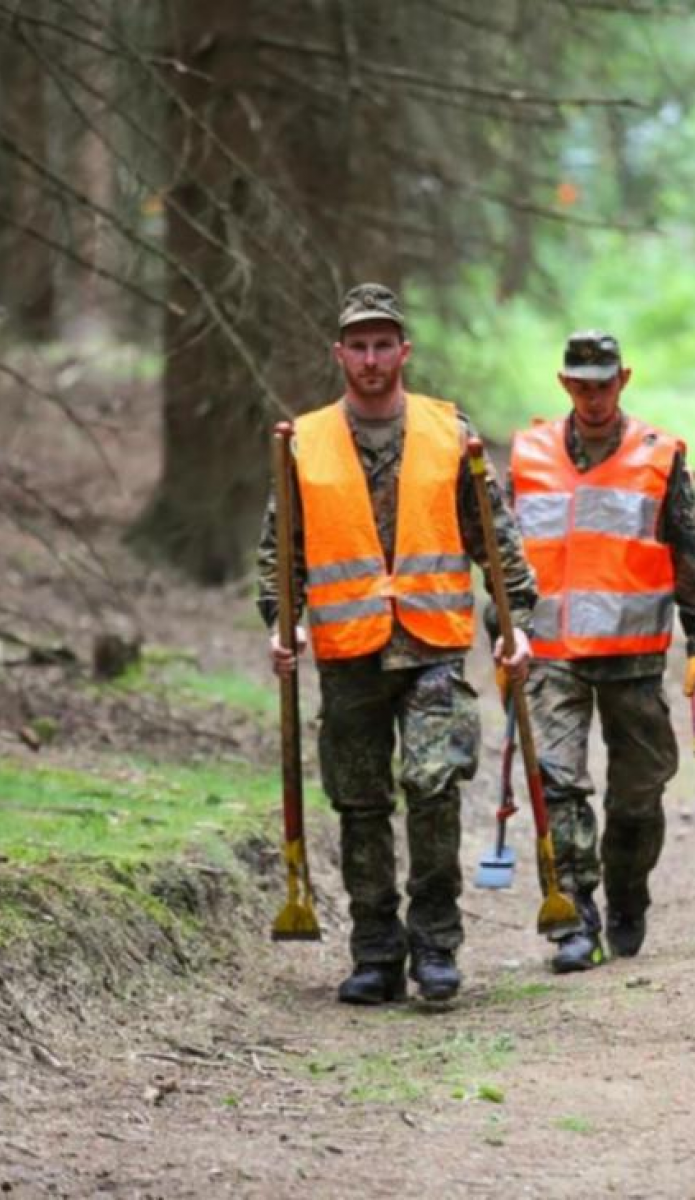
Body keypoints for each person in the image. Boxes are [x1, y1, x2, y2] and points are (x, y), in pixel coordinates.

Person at [258, 283, 537, 1005]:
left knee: (434, 788)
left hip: (431, 644)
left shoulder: (451, 431)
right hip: (349, 650)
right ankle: (376, 952)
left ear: (404, 351)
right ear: (340, 354)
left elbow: (493, 536)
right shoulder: (304, 440)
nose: (373, 358)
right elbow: (280, 548)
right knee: (360, 803)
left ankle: (436, 947)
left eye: (385, 345)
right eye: (360, 345)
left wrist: (517, 626)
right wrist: (280, 621)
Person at [508, 331, 695, 972]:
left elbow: (688, 553)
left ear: (623, 380)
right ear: (563, 384)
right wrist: (506, 629)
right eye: (581, 384)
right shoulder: (530, 453)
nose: (593, 396)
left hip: (633, 656)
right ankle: (576, 918)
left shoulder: (659, 457)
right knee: (558, 783)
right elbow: (507, 556)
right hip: (553, 654)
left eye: (603, 383)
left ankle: (628, 892)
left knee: (638, 794)